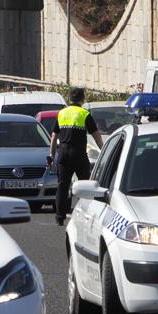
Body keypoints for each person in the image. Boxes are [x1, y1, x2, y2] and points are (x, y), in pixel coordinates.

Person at [49, 87, 104, 226]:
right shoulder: (84, 114)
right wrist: (103, 150)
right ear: (82, 99)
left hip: (63, 153)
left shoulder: (61, 113)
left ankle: (59, 217)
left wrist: (51, 154)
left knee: (62, 185)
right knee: (85, 185)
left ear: (69, 99)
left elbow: (54, 136)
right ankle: (85, 213)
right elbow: (96, 134)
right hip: (79, 153)